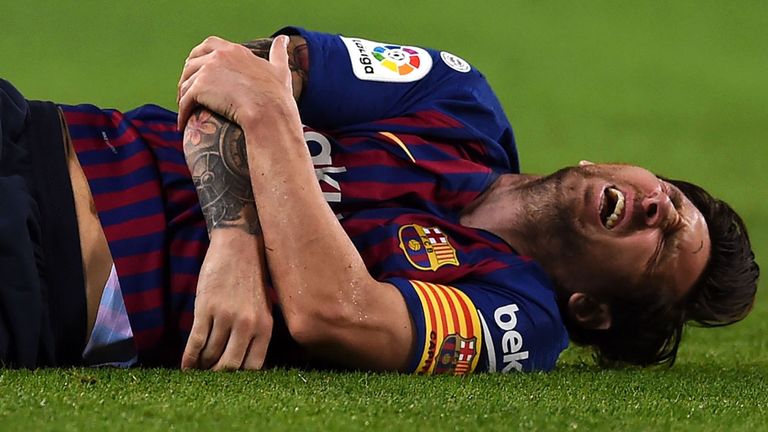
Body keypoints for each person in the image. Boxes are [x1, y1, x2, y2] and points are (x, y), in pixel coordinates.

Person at [0, 27, 758, 373]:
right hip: (39, 132)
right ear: (602, 164)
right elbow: (229, 68)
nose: (658, 208)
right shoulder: (459, 98)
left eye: (662, 244)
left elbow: (332, 311)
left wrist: (268, 114)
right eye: (670, 196)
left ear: (593, 310)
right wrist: (234, 237)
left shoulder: (517, 319)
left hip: (49, 280)